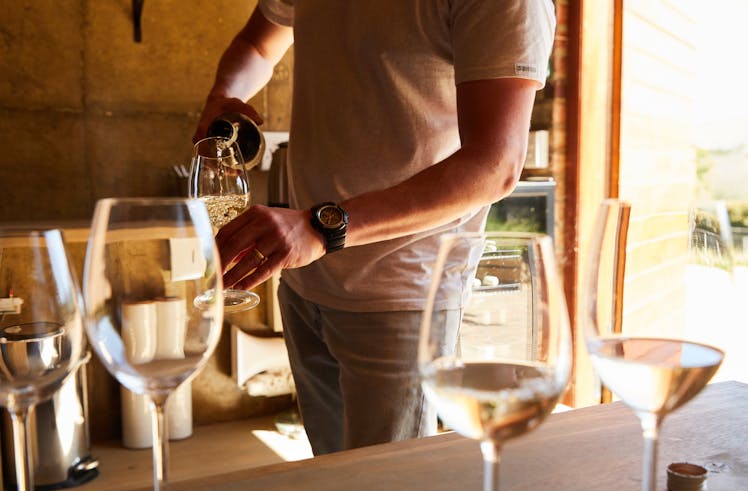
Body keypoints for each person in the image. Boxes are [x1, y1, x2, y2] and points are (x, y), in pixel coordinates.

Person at [194, 0, 555, 455]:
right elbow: (258, 45)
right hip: (306, 281)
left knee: (390, 484)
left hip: (402, 291)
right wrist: (224, 95)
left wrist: (322, 228)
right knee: (333, 475)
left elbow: (495, 165)